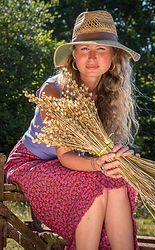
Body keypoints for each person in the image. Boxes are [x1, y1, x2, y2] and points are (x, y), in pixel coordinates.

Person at [5, 10, 141, 250]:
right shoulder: (54, 90)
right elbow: (65, 155)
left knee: (118, 182)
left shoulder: (111, 96)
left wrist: (119, 159)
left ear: (113, 57)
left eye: (101, 49)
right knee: (93, 187)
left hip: (74, 164)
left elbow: (102, 152)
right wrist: (99, 164)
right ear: (73, 56)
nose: (92, 57)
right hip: (32, 163)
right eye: (84, 48)